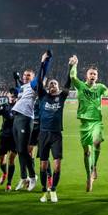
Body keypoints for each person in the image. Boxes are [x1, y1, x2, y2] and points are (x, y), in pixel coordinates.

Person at [69, 54, 108, 192]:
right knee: (87, 152)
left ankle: (94, 168)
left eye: (95, 74)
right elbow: (72, 77)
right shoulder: (80, 86)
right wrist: (74, 64)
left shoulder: (100, 87)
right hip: (85, 124)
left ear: (97, 77)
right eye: (91, 73)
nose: (93, 75)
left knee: (97, 143)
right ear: (87, 75)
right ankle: (89, 176)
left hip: (97, 122)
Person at [12, 51, 51, 192]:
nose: (25, 76)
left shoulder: (34, 85)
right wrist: (16, 79)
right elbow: (17, 89)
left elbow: (42, 74)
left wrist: (45, 61)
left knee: (23, 150)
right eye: (24, 75)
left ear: (33, 78)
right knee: (19, 150)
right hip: (16, 119)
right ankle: (23, 178)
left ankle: (32, 176)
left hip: (25, 118)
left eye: (28, 75)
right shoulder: (22, 87)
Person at [36, 60, 71, 203]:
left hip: (56, 134)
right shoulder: (42, 96)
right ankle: (45, 191)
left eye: (55, 84)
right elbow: (38, 81)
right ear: (47, 87)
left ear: (58, 87)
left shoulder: (61, 97)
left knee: (57, 165)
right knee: (43, 165)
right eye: (50, 84)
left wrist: (71, 67)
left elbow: (68, 83)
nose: (52, 85)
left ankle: (54, 189)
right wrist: (43, 63)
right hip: (43, 134)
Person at [0, 89, 18, 191]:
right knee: (1, 161)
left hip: (15, 136)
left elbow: (11, 118)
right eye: (11, 95)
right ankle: (4, 173)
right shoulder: (4, 106)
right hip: (4, 136)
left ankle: (9, 183)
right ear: (8, 95)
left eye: (14, 95)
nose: (12, 97)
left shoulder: (19, 107)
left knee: (11, 159)